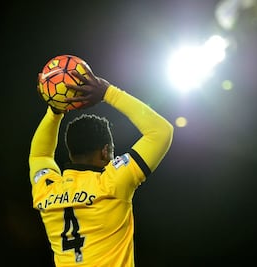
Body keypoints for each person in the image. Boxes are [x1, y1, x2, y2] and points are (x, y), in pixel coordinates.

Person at [28, 61, 173, 267]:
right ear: (105, 151)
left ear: (72, 151)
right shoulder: (111, 184)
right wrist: (108, 93)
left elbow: (39, 155)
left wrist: (55, 109)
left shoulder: (47, 190)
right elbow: (161, 132)